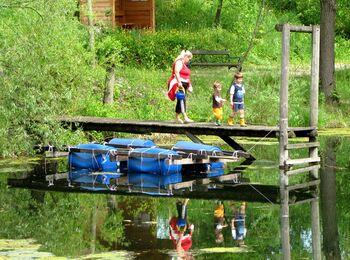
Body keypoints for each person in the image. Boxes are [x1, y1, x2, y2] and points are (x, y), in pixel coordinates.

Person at [167, 50, 194, 124]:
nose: (189, 61)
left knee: (181, 99)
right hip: (177, 83)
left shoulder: (184, 64)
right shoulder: (179, 62)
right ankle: (185, 117)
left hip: (184, 83)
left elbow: (187, 76)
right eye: (189, 59)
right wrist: (179, 82)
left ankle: (177, 117)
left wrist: (189, 85)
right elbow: (176, 72)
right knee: (182, 99)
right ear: (185, 57)